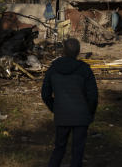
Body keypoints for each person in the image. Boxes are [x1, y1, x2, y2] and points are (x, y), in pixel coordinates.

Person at [41, 37, 98, 167]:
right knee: (77, 152)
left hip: (62, 115)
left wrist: (55, 108)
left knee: (59, 149)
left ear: (64, 51)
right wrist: (90, 112)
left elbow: (45, 94)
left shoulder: (53, 69)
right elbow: (93, 96)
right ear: (78, 52)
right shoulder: (84, 69)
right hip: (81, 116)